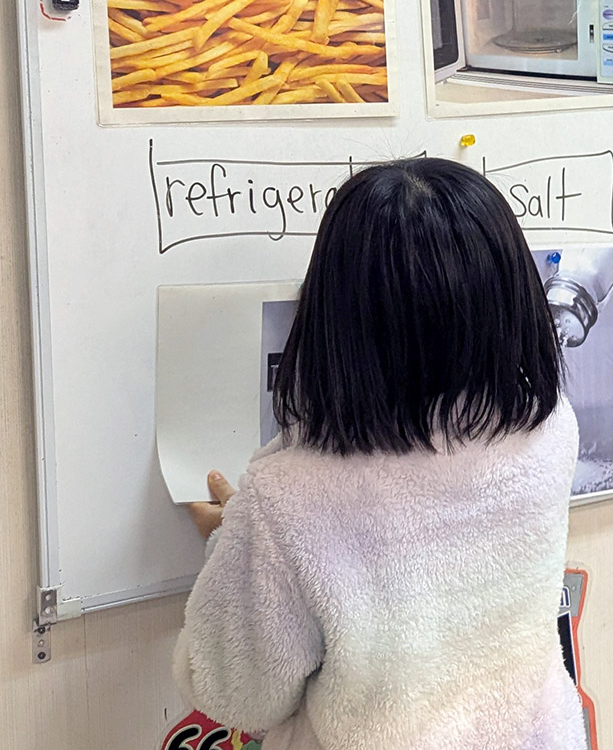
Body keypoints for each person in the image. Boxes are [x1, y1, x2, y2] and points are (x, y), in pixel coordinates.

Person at [175, 157, 585, 749]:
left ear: (333, 316)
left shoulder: (288, 499)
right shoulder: (550, 430)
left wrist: (236, 538)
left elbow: (233, 693)